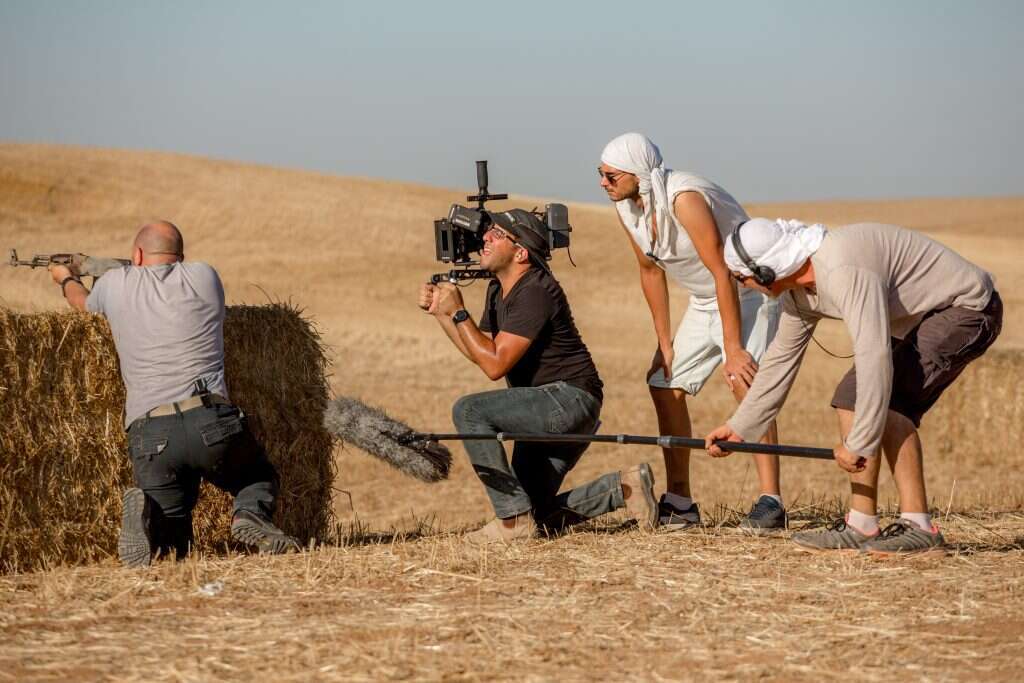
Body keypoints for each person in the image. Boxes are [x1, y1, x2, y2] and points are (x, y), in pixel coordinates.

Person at [705, 218, 1002, 554]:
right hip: (916, 320)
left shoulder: (842, 269)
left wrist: (860, 442)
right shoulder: (799, 295)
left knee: (891, 405)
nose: (743, 286)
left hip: (966, 309)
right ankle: (862, 524)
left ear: (766, 272)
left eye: (742, 278)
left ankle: (920, 527)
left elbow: (874, 355)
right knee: (850, 399)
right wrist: (739, 429)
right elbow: (778, 364)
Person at [49, 220, 300, 567]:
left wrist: (67, 276)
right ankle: (248, 516)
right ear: (180, 255)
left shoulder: (114, 285)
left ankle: (149, 515)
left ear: (136, 254)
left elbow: (82, 304)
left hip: (151, 432)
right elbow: (160, 273)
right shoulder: (204, 277)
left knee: (174, 536)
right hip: (211, 423)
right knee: (257, 478)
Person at [418, 209, 658, 543]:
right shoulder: (496, 290)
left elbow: (494, 366)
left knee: (468, 410)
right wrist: (442, 315)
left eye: (497, 234)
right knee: (537, 516)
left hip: (568, 399)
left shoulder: (535, 290)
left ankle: (511, 522)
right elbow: (482, 351)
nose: (485, 237)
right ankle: (624, 488)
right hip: (548, 406)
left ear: (521, 252)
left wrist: (459, 312)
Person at [599, 132, 784, 533]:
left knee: (744, 381)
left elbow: (721, 270)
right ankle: (680, 502)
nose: (604, 183)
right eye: (601, 174)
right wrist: (664, 344)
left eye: (611, 176)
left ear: (637, 172)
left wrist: (733, 347)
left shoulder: (685, 197)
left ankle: (771, 503)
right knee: (664, 383)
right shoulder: (626, 208)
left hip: (745, 293)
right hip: (703, 301)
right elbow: (649, 271)